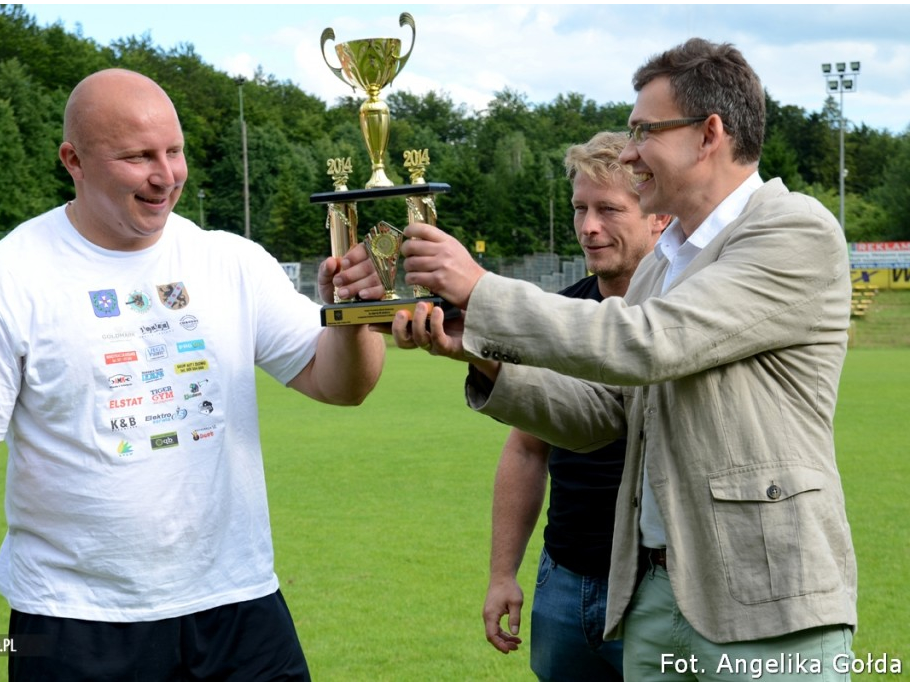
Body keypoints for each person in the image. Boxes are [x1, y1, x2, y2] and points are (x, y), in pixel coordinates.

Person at [337, 38, 857, 681]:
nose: (631, 150)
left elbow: (648, 341)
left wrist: (483, 288)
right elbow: (601, 411)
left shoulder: (792, 231)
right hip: (652, 593)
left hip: (765, 596)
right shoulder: (667, 263)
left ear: (709, 134)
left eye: (646, 130)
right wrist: (476, 345)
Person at [0, 68, 385, 682]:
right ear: (73, 160)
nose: (165, 175)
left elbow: (341, 385)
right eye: (137, 157)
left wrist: (349, 317)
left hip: (240, 605)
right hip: (74, 623)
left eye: (174, 150)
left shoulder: (230, 261)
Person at [483, 132, 668, 682]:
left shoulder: (684, 315)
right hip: (563, 579)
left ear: (658, 215)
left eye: (609, 209)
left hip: (658, 584)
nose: (588, 226)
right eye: (580, 209)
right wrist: (502, 574)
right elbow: (524, 448)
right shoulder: (559, 313)